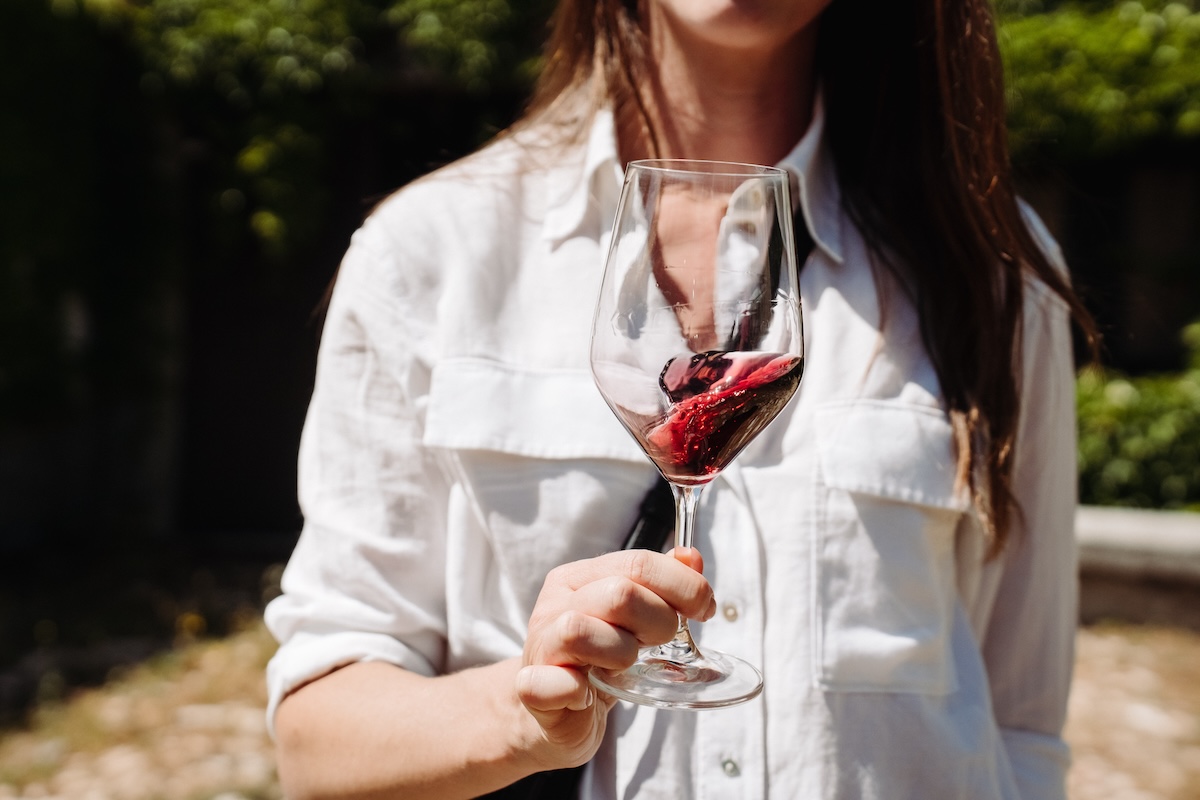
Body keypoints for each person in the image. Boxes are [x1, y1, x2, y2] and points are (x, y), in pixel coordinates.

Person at [264, 0, 1098, 797]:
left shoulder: (995, 277)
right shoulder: (431, 254)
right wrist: (526, 709)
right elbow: (316, 739)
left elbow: (1021, 728)